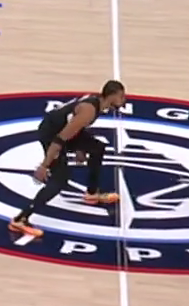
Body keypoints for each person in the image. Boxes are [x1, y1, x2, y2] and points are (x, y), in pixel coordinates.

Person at [7, 81, 126, 238]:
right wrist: (44, 165)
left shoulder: (97, 102)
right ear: (112, 96)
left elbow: (75, 126)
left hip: (61, 129)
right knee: (60, 179)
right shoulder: (89, 110)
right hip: (52, 135)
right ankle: (20, 219)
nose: (124, 100)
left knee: (97, 148)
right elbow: (60, 139)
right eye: (121, 96)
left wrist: (80, 148)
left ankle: (91, 193)